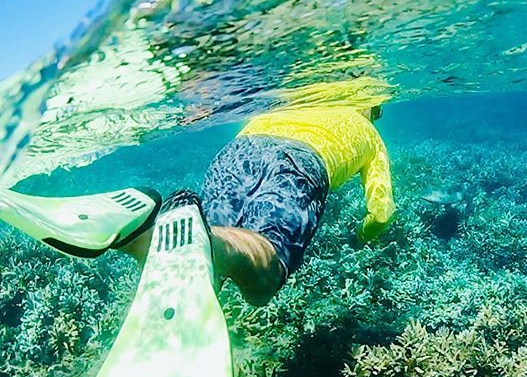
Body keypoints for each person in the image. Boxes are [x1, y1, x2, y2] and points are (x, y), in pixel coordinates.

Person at [123, 102, 395, 305]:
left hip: (238, 151)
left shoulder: (295, 103)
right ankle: (202, 239)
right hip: (298, 161)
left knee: (208, 262)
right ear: (369, 109)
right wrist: (363, 237)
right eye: (378, 111)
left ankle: (141, 236)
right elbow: (381, 213)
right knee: (263, 280)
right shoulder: (369, 132)